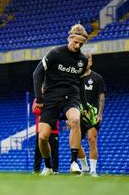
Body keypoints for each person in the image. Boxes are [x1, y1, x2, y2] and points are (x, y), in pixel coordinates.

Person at [33, 23, 89, 175]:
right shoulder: (55, 53)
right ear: (69, 38)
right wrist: (39, 97)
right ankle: (48, 167)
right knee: (43, 137)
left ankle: (73, 163)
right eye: (75, 42)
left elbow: (81, 84)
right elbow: (37, 74)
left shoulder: (82, 61)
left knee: (75, 121)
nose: (77, 46)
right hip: (51, 98)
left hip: (71, 97)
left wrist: (84, 105)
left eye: (81, 44)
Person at [77, 52, 106, 177]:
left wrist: (100, 114)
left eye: (88, 60)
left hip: (92, 114)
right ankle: (84, 168)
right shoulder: (75, 78)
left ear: (91, 62)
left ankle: (93, 170)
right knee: (76, 144)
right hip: (77, 114)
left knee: (92, 140)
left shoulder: (97, 78)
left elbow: (101, 96)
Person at [32, 98, 59, 173]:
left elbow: (57, 111)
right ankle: (36, 169)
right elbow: (34, 110)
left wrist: (42, 109)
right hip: (40, 129)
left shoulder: (55, 97)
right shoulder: (37, 99)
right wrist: (48, 110)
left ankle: (55, 170)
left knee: (54, 151)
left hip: (54, 130)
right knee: (38, 150)